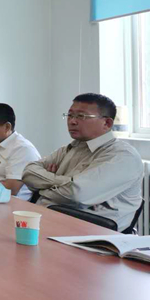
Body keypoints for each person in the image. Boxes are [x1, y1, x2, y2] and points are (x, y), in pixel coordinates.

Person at [22, 93, 143, 232]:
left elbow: (77, 194)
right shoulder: (72, 148)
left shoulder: (122, 156)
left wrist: (42, 188)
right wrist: (65, 181)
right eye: (70, 115)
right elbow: (28, 172)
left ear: (107, 123)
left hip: (92, 235)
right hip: (52, 221)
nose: (72, 121)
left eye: (81, 116)